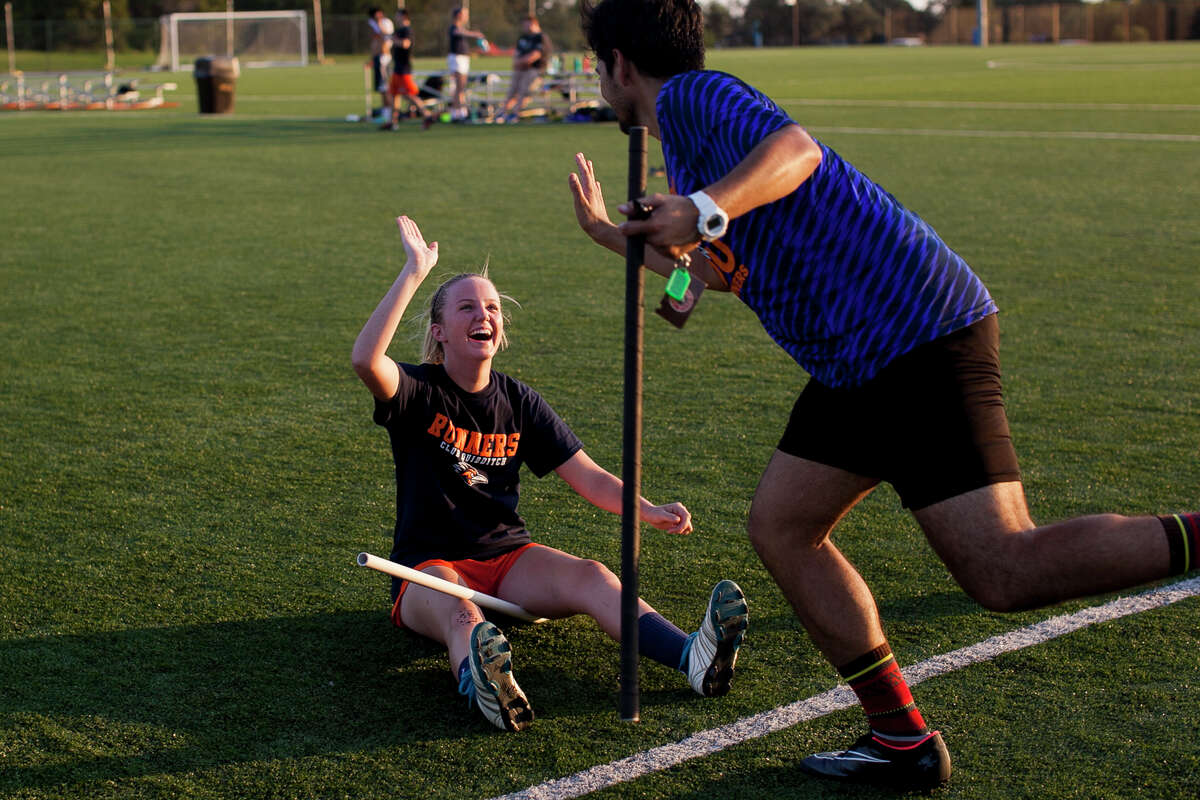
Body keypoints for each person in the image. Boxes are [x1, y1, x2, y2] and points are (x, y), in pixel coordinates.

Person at [568, 0, 1199, 789]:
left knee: (1003, 569)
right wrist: (628, 239)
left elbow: (797, 151)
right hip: (858, 360)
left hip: (911, 331)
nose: (601, 81)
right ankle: (899, 736)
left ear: (621, 64)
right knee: (783, 525)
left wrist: (699, 209)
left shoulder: (699, 97)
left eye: (598, 65)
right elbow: (719, 279)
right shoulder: (691, 160)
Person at [351, 215, 750, 732]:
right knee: (462, 616)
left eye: (492, 307)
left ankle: (693, 659)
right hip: (427, 568)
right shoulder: (416, 391)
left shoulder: (520, 401)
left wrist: (647, 509)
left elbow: (587, 476)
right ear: (439, 333)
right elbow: (366, 359)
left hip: (507, 557)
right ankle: (484, 688)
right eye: (467, 307)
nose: (484, 314)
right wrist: (413, 273)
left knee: (593, 576)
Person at [382, 9, 434, 131]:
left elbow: (406, 44)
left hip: (404, 69)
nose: (396, 18)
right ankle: (393, 121)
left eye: (397, 16)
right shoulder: (399, 30)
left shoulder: (407, 30)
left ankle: (427, 115)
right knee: (394, 94)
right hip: (397, 68)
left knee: (409, 94)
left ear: (403, 17)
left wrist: (393, 40)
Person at [498, 16, 550, 124]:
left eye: (527, 24)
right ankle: (502, 113)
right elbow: (516, 53)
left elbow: (535, 55)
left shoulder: (540, 37)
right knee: (512, 92)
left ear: (534, 23)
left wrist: (519, 62)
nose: (525, 27)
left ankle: (515, 114)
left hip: (534, 70)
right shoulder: (523, 37)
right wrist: (517, 63)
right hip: (520, 69)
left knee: (524, 92)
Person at [446, 7, 486, 122]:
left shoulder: (461, 29)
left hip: (462, 59)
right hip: (457, 59)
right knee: (459, 86)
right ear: (459, 15)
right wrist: (475, 34)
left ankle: (459, 112)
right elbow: (457, 32)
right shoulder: (454, 27)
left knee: (461, 87)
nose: (466, 17)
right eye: (465, 14)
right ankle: (457, 113)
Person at [366, 7, 394, 116]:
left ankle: (389, 112)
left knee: (385, 87)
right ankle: (385, 111)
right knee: (381, 88)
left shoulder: (385, 23)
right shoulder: (374, 24)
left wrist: (378, 24)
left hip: (384, 58)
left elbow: (385, 38)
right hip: (378, 58)